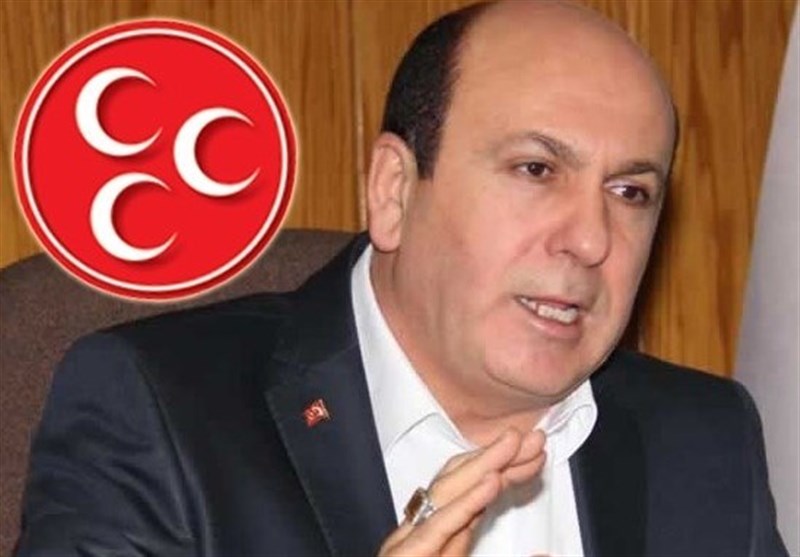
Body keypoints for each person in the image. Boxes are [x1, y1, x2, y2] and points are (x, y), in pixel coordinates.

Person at [15, 1, 788, 556]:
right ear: (393, 190)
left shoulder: (705, 437)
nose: (591, 239)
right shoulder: (163, 411)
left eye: (631, 192)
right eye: (536, 169)